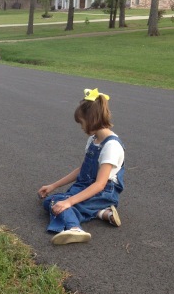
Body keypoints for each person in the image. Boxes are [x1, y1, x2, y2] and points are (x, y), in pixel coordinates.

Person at [37, 87, 125, 245]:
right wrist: (53, 185)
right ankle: (100, 212)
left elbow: (100, 184)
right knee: (53, 200)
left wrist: (69, 202)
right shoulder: (93, 140)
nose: (82, 128)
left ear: (92, 120)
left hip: (102, 193)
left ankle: (75, 228)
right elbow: (82, 169)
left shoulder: (111, 146)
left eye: (82, 123)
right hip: (85, 187)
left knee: (57, 203)